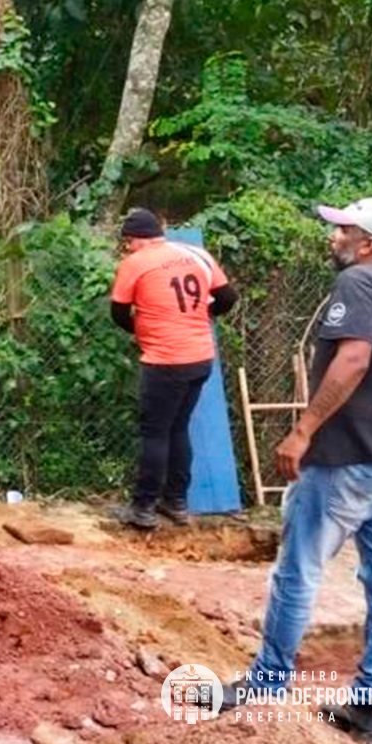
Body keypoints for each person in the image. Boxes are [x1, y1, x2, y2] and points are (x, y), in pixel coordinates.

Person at [222, 198, 372, 744]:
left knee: (298, 572)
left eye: (342, 229)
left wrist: (304, 430)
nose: (333, 236)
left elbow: (355, 359)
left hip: (345, 460)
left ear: (368, 243)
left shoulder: (360, 285)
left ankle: (266, 684)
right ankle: (369, 709)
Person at [109, 208, 237, 529]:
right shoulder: (196, 254)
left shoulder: (135, 263)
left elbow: (119, 312)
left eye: (127, 243)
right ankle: (176, 502)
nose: (127, 249)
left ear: (133, 240)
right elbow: (227, 297)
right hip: (200, 357)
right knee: (178, 428)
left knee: (155, 433)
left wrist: (142, 330)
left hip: (165, 359)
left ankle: (143, 507)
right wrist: (199, 317)